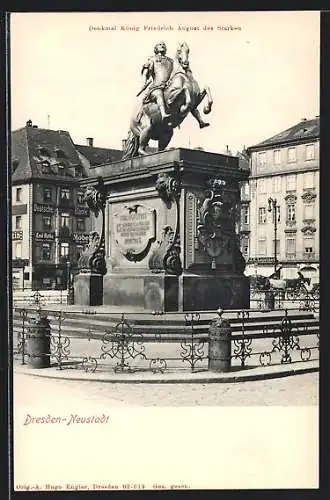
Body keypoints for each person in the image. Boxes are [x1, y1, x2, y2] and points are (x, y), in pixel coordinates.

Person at [141, 41, 173, 122]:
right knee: (158, 93)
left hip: (168, 86)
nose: (162, 46)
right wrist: (144, 82)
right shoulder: (152, 59)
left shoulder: (170, 61)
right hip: (156, 87)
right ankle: (163, 114)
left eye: (164, 45)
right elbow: (145, 72)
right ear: (156, 48)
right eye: (160, 45)